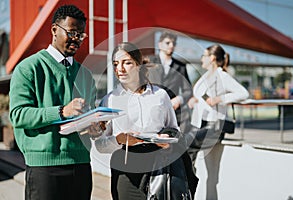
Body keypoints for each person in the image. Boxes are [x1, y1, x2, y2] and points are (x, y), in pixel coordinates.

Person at [9, 5, 97, 200]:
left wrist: (94, 127)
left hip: (82, 165)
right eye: (72, 32)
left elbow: (87, 118)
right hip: (44, 169)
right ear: (54, 30)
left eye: (81, 35)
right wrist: (62, 111)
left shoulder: (86, 75)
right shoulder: (28, 68)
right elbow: (18, 115)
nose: (77, 39)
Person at [94, 42, 191, 200]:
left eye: (127, 62)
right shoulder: (110, 100)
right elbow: (100, 145)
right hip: (125, 164)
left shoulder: (160, 95)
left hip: (158, 162)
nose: (120, 69)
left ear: (138, 65)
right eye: (116, 64)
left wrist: (168, 142)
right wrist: (119, 139)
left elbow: (174, 130)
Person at [187, 44, 249, 200]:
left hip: (214, 127)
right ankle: (188, 190)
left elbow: (243, 93)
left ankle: (186, 190)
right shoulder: (206, 75)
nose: (202, 58)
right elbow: (201, 96)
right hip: (200, 124)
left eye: (204, 55)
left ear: (212, 58)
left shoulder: (222, 76)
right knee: (206, 173)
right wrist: (195, 100)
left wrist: (220, 99)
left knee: (186, 150)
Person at [148, 31, 193, 134]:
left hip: (172, 111)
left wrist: (179, 99)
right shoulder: (148, 61)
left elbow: (188, 90)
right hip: (151, 109)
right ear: (160, 44)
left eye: (174, 43)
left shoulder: (181, 66)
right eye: (168, 43)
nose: (171, 46)